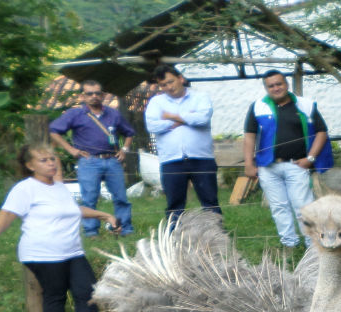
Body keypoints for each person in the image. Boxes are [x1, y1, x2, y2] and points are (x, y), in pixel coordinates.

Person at [0, 144, 123, 312]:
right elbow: (8, 213)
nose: (51, 163)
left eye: (53, 159)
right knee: (56, 294)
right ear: (30, 165)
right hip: (42, 253)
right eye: (44, 160)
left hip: (72, 251)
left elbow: (72, 210)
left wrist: (104, 215)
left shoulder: (59, 187)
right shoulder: (25, 188)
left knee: (87, 290)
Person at [243, 70, 332, 248]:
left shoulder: (305, 105)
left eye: (279, 84)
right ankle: (289, 244)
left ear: (286, 84)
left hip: (296, 165)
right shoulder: (257, 107)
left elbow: (322, 131)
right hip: (268, 166)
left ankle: (313, 246)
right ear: (266, 88)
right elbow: (249, 136)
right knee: (278, 208)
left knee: (303, 206)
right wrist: (248, 163)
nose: (276, 88)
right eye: (271, 86)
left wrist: (311, 158)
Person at [49, 79, 136, 237]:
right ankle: (91, 232)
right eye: (89, 93)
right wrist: (70, 149)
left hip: (112, 160)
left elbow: (129, 133)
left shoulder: (113, 113)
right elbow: (53, 130)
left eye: (97, 93)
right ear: (83, 96)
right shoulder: (75, 114)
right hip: (89, 161)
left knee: (121, 197)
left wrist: (124, 149)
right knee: (89, 198)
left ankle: (125, 228)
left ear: (103, 95)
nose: (94, 96)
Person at [145, 64, 222, 225]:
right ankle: (174, 240)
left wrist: (171, 117)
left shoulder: (200, 97)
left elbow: (202, 119)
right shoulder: (156, 102)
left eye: (171, 82)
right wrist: (186, 118)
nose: (168, 87)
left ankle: (218, 237)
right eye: (163, 85)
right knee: (174, 205)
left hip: (201, 158)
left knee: (210, 202)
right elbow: (152, 126)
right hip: (171, 160)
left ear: (181, 78)